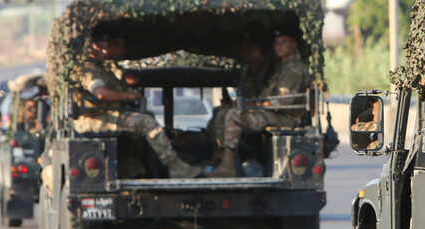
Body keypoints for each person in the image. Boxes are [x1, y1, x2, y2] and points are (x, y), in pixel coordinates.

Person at [72, 31, 202, 178]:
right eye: (99, 47)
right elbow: (100, 93)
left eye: (106, 47)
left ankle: (133, 167)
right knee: (146, 122)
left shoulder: (104, 68)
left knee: (145, 118)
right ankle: (175, 166)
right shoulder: (88, 69)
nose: (104, 51)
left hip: (106, 115)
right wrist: (126, 95)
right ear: (88, 48)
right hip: (95, 119)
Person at [207, 27, 312, 177]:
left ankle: (228, 166)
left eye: (284, 42)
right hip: (273, 114)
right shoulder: (282, 67)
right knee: (224, 113)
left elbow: (283, 101)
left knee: (233, 116)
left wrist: (255, 105)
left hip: (287, 118)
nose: (279, 46)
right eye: (276, 43)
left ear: (293, 45)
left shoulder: (294, 68)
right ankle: (220, 159)